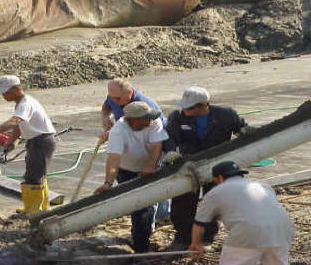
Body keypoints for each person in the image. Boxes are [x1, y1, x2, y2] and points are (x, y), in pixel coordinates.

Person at [164, 86, 255, 247]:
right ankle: (183, 237)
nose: (186, 110)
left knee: (214, 200)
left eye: (190, 108)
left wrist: (244, 130)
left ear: (203, 106)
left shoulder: (226, 115)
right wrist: (171, 151)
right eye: (185, 107)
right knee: (182, 203)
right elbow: (170, 136)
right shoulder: (178, 117)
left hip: (217, 164)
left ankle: (207, 236)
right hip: (188, 165)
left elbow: (240, 127)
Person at [94, 101, 169, 252]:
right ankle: (139, 240)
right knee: (136, 206)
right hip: (127, 170)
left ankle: (142, 243)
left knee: (146, 206)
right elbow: (114, 159)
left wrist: (150, 167)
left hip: (150, 166)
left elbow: (156, 147)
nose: (151, 120)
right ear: (134, 121)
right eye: (146, 118)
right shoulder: (118, 131)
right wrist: (108, 183)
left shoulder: (154, 123)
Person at [189, 161, 295, 265]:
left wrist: (196, 244)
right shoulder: (263, 186)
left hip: (248, 231)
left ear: (219, 178)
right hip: (283, 228)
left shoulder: (216, 192)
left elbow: (199, 223)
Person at [0, 75, 56, 214]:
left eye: (6, 92)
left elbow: (15, 121)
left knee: (34, 176)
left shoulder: (26, 103)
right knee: (37, 174)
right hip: (36, 141)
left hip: (42, 141)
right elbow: (19, 126)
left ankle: (33, 210)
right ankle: (42, 208)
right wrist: (11, 141)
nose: (4, 95)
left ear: (17, 89)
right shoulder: (21, 104)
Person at [100, 78, 170, 221]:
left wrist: (150, 166)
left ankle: (161, 216)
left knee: (156, 185)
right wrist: (106, 118)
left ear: (129, 93)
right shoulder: (116, 99)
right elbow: (107, 105)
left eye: (117, 98)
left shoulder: (148, 110)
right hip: (129, 140)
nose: (114, 100)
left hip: (154, 142)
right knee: (133, 194)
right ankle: (140, 215)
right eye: (113, 97)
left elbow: (156, 145)